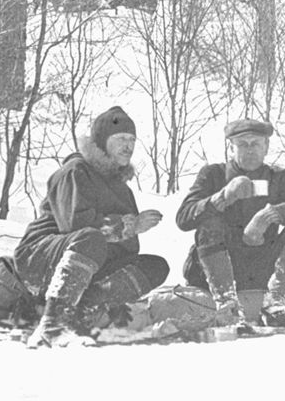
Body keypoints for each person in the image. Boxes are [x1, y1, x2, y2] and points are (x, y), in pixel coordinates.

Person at [14, 106, 169, 347]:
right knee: (91, 238)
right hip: (40, 259)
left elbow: (127, 248)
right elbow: (75, 225)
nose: (127, 146)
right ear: (101, 142)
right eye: (120, 139)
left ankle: (83, 310)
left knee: (155, 266)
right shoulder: (75, 171)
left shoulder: (122, 188)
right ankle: (53, 324)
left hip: (88, 265)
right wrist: (130, 225)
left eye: (131, 140)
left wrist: (116, 288)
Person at [176, 119, 285, 329]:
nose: (250, 150)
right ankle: (227, 304)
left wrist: (271, 214)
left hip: (261, 264)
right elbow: (183, 218)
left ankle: (275, 303)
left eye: (256, 144)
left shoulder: (278, 177)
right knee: (210, 223)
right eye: (243, 144)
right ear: (231, 147)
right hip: (219, 263)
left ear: (266, 147)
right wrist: (220, 198)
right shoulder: (213, 174)